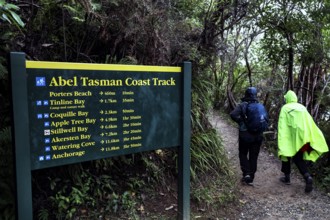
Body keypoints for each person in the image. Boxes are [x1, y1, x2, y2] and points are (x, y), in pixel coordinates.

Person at [278, 90, 329, 193]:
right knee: (298, 159)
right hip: (304, 139)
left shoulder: (285, 108)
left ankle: (287, 178)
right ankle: (307, 177)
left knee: (286, 155)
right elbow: (310, 123)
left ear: (287, 98)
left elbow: (282, 125)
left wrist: (281, 140)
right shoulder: (302, 108)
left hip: (290, 138)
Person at [230, 87, 269, 185]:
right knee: (254, 155)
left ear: (246, 94)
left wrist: (240, 121)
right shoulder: (260, 106)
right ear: (256, 95)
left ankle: (246, 173)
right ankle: (251, 176)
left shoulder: (243, 105)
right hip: (258, 135)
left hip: (245, 135)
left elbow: (233, 114)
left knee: (243, 153)